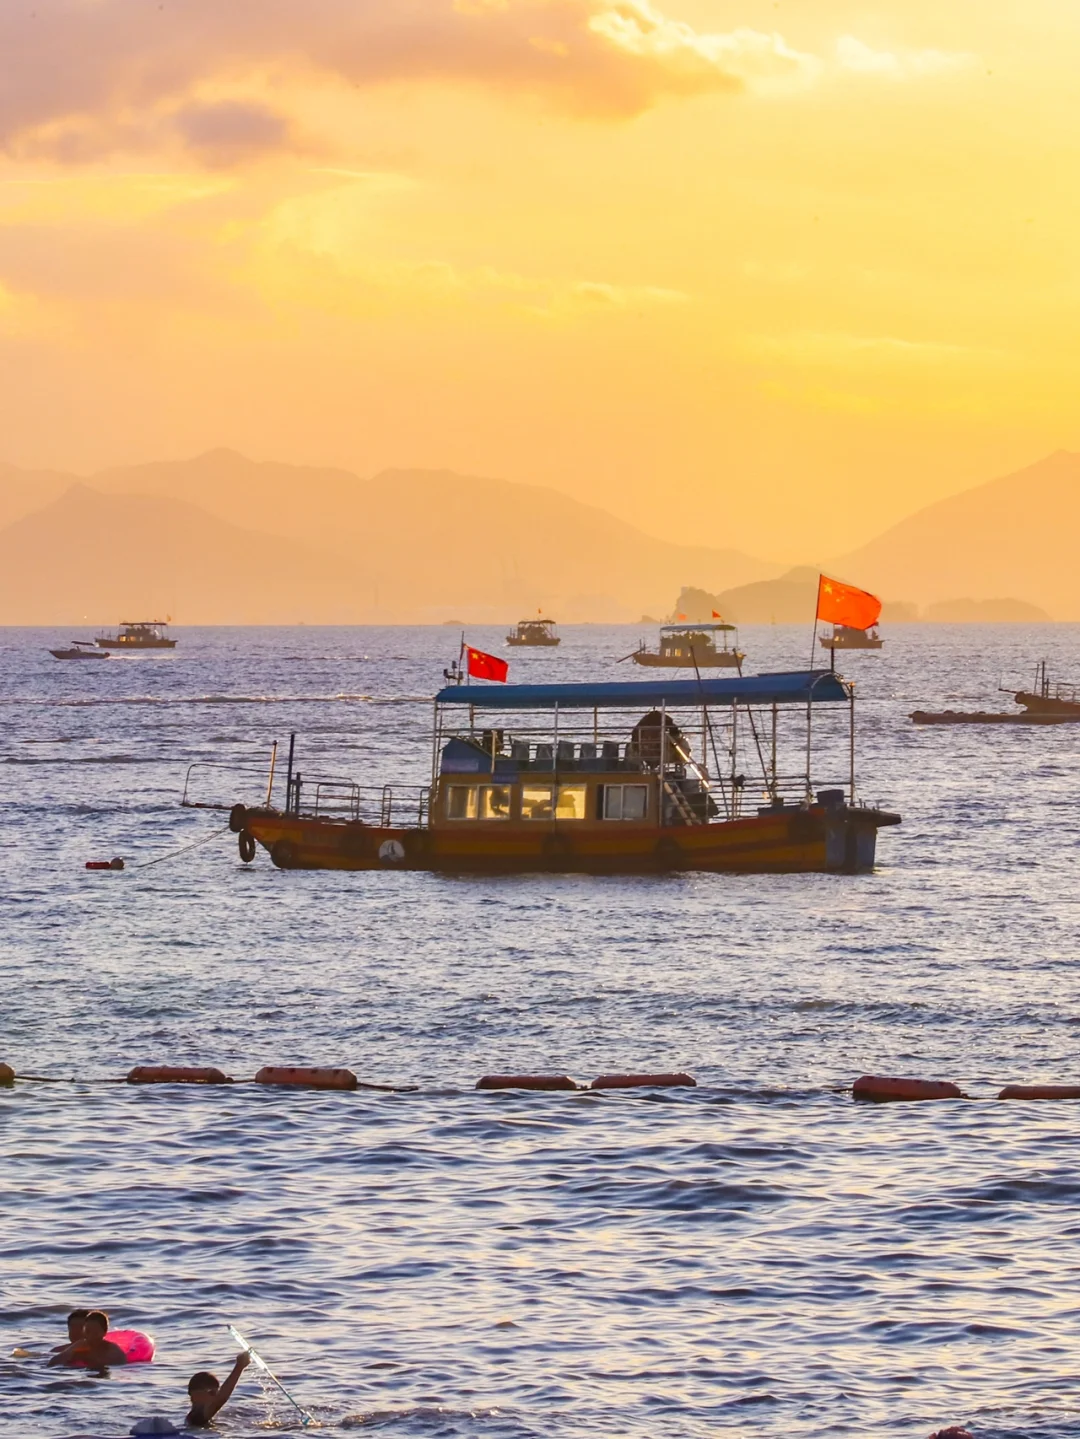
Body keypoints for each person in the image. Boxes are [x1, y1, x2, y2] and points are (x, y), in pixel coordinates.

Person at [185, 1351, 251, 1428]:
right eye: (211, 1392)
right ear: (194, 1396)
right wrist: (239, 1367)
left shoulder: (195, 1417)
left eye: (217, 1392)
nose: (216, 1396)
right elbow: (221, 1399)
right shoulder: (197, 1417)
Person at [47, 1310, 129, 1369]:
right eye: (73, 1327)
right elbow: (52, 1363)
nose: (76, 1331)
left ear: (104, 1332)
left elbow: (118, 1364)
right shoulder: (66, 1348)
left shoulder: (112, 1350)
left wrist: (87, 1358)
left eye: (80, 1327)